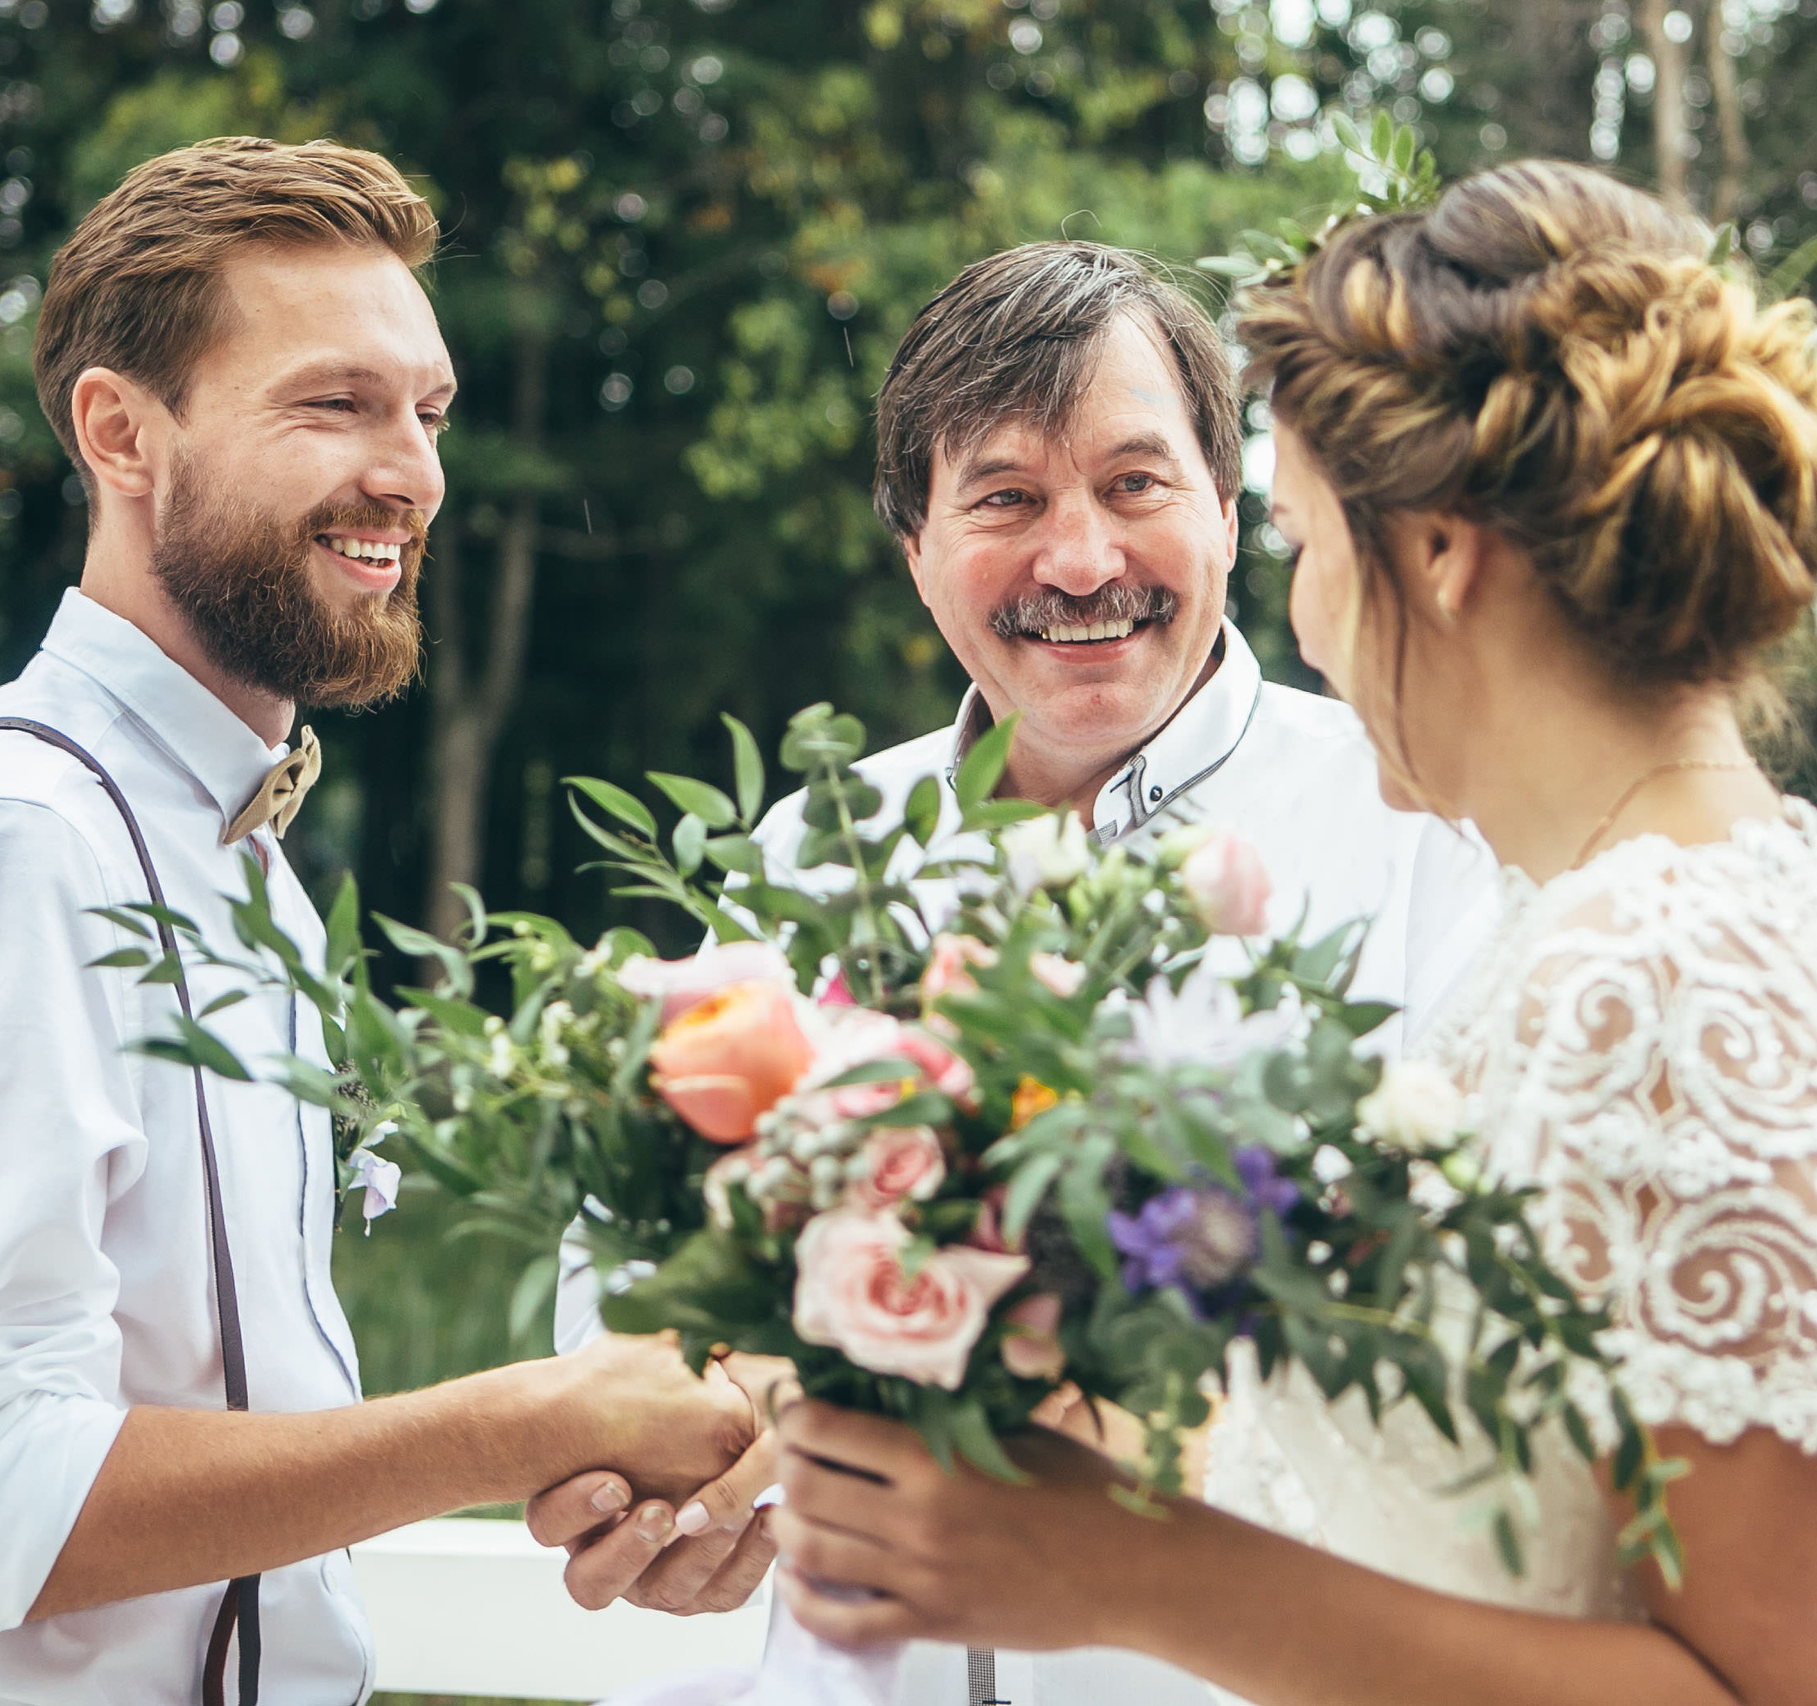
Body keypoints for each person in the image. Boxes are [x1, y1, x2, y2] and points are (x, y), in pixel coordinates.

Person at [763, 160, 1817, 1705]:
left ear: (1440, 553)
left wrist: (1131, 1569)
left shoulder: (1673, 969)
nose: (1306, 617)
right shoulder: (1657, 919)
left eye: (1311, 543)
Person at [0, 138, 767, 1706]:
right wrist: (527, 1419)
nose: (412, 472)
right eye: (334, 402)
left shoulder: (244, 851)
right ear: (120, 431)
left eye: (428, 411)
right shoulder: (10, 840)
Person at [538, 240, 1501, 1705]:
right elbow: (630, 1265)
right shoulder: (818, 849)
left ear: (1230, 511)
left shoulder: (1424, 824)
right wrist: (672, 1467)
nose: (1081, 560)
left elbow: (1482, 1319)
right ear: (914, 544)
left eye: (1134, 485)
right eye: (1006, 499)